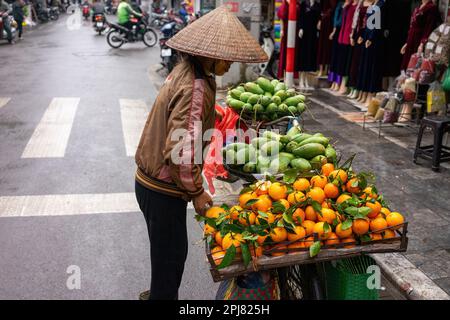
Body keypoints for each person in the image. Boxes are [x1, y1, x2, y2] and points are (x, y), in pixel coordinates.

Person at [134, 5, 267, 300]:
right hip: (163, 188)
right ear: (212, 54)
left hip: (149, 182)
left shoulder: (188, 70)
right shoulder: (196, 85)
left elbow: (184, 121)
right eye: (227, 58)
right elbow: (181, 152)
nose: (231, 64)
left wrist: (213, 118)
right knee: (170, 264)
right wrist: (197, 192)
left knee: (167, 259)